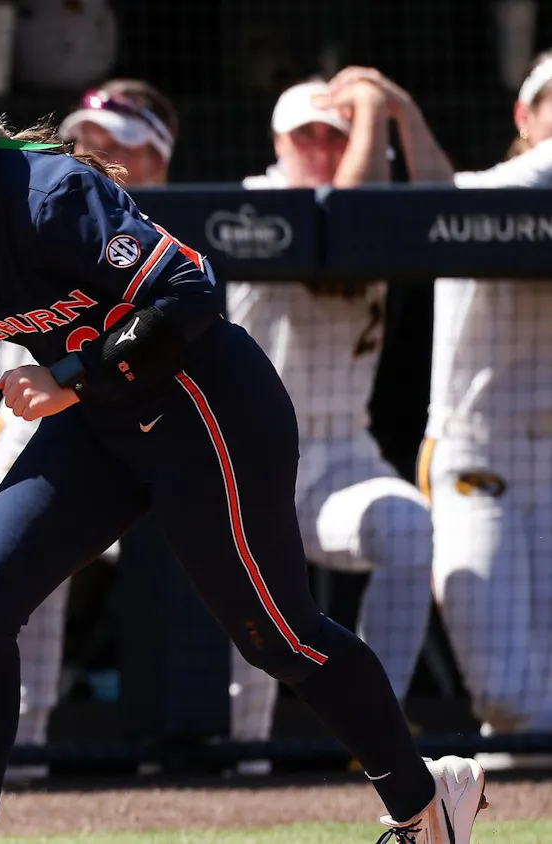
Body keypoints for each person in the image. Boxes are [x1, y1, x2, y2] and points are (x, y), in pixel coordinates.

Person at [0, 50, 487, 844]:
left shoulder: (51, 194)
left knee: (277, 636)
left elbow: (190, 292)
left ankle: (424, 805)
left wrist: (71, 375)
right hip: (103, 426)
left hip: (206, 412)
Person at [337, 54, 552, 770]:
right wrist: (396, 108)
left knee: (534, 708)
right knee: (509, 699)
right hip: (479, 458)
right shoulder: (504, 188)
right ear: (525, 116)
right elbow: (437, 195)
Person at [0, 79, 179, 781]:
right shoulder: (33, 204)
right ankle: (19, 752)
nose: (97, 151)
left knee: (206, 572)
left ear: (160, 157)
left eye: (121, 143)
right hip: (34, 425)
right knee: (18, 583)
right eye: (88, 137)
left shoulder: (166, 231)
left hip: (153, 421)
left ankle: (209, 751)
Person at [224, 77, 435, 775]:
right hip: (250, 452)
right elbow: (343, 218)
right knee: (250, 604)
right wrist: (372, 108)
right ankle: (241, 761)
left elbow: (422, 201)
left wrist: (389, 111)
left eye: (334, 134)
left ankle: (376, 732)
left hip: (344, 451)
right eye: (304, 134)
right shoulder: (261, 197)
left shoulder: (374, 196)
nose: (319, 146)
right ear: (277, 143)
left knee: (408, 527)